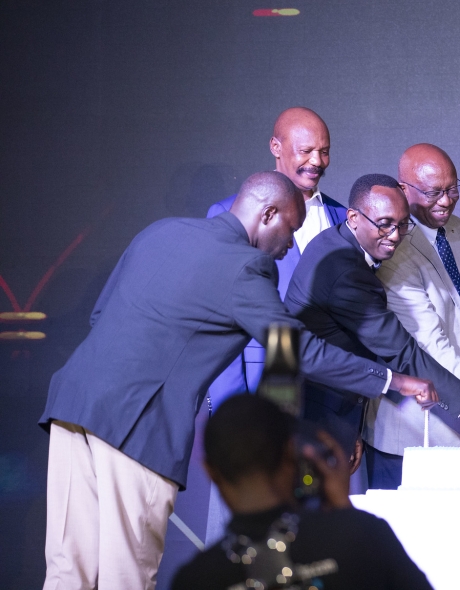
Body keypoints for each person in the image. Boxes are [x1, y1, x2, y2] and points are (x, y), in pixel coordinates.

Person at [38, 171, 437, 590]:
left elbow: (101, 315)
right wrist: (391, 380)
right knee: (127, 576)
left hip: (74, 405)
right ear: (268, 214)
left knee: (69, 570)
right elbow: (293, 350)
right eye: (290, 231)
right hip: (138, 423)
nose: (287, 250)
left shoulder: (160, 231)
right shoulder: (248, 268)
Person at [283, 173, 460, 484]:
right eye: (384, 224)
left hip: (329, 408)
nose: (394, 235)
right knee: (311, 515)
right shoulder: (346, 274)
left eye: (402, 224)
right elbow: (403, 351)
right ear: (353, 217)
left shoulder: (334, 240)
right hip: (313, 415)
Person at [202, 107, 351, 543]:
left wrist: (351, 423)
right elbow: (219, 319)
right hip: (257, 404)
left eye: (325, 152)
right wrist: (231, 413)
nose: (318, 161)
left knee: (315, 542)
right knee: (238, 537)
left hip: (328, 412)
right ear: (276, 147)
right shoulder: (228, 214)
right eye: (307, 150)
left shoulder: (346, 219)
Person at [171, 394, 433, 590]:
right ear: (292, 455)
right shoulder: (363, 537)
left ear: (210, 470)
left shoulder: (195, 579)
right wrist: (348, 517)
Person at [369, 143, 460, 487]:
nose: (446, 201)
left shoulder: (459, 230)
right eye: (433, 192)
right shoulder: (393, 250)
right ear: (404, 190)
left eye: (453, 188)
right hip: (416, 433)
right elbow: (433, 346)